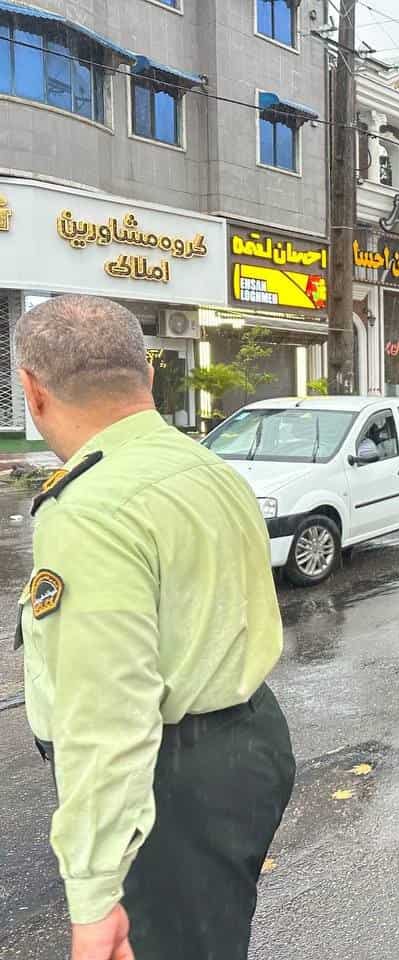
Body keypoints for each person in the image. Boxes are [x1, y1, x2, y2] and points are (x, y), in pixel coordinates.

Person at [14, 295, 295, 960]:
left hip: (172, 787)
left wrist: (93, 895)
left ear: (32, 389)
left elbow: (106, 713)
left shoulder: (92, 507)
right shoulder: (207, 468)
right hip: (247, 747)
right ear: (148, 374)